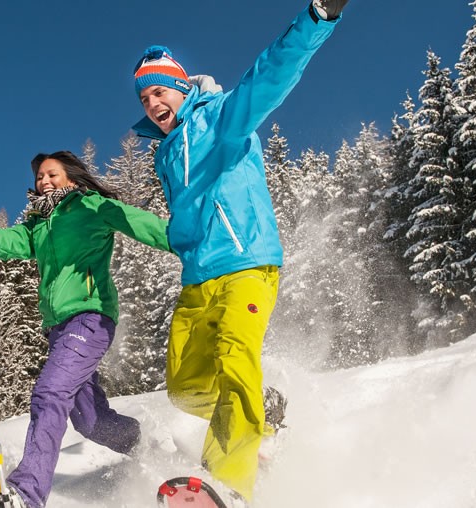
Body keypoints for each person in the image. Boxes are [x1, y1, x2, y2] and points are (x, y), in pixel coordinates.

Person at [129, 0, 347, 502]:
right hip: (197, 279)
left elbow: (270, 74)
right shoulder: (166, 153)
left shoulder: (223, 118)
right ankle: (261, 409)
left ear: (180, 87)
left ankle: (226, 482)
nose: (152, 105)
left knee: (235, 359)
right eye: (144, 100)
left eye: (158, 91)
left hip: (247, 262)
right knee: (185, 385)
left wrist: (318, 19)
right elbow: (182, 221)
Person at [0, 150, 171, 508]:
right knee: (91, 422)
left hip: (91, 316)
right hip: (59, 329)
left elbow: (139, 222)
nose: (43, 181)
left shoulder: (92, 207)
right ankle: (146, 445)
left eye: (51, 174)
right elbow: (6, 243)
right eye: (39, 176)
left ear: (71, 177)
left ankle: (27, 495)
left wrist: (193, 242)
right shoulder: (39, 225)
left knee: (49, 393)